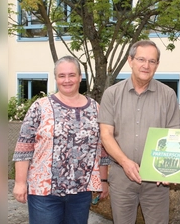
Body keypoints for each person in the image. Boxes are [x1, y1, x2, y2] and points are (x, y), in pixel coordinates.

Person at [12, 55, 110, 224]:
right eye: (61, 76)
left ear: (80, 77)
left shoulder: (95, 108)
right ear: (56, 78)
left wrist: (103, 181)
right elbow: (24, 147)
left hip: (81, 192)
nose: (67, 80)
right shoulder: (40, 107)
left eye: (72, 75)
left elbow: (102, 148)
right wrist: (20, 183)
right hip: (44, 193)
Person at [98, 40, 180, 224]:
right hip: (121, 176)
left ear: (157, 64)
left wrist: (171, 171)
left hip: (156, 179)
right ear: (130, 60)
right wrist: (125, 162)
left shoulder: (168, 95)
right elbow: (105, 135)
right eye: (141, 59)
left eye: (152, 61)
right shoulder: (111, 94)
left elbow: (174, 134)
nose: (146, 65)